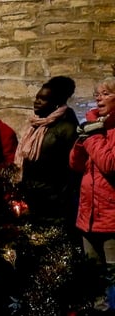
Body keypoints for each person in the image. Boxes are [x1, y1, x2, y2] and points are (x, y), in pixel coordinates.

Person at [15, 76, 81, 226]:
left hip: (55, 203)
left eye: (43, 99)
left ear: (56, 104)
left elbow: (71, 169)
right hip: (33, 198)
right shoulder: (35, 126)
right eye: (37, 97)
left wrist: (61, 197)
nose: (37, 101)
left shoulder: (67, 128)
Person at [69, 76, 115, 270]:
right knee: (93, 279)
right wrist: (82, 141)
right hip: (88, 218)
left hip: (111, 222)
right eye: (97, 95)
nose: (99, 99)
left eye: (106, 94)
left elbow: (109, 164)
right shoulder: (95, 125)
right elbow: (75, 164)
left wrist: (93, 137)